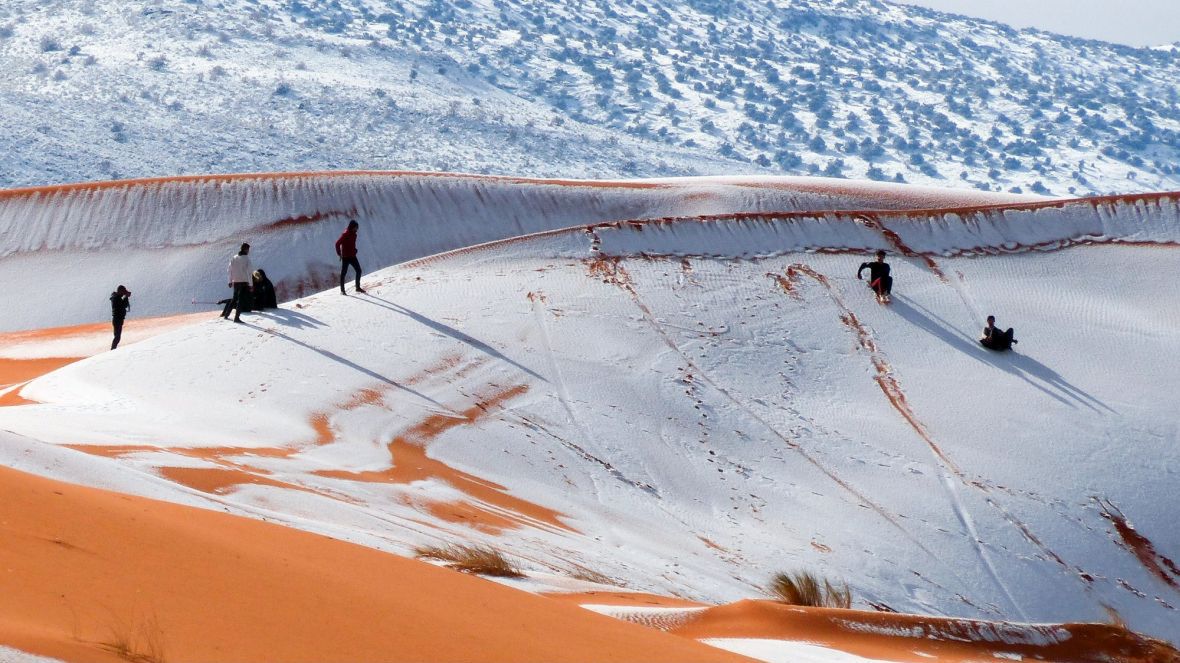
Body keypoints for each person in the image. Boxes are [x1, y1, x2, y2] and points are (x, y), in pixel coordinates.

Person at [222, 243, 252, 323]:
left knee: (234, 299)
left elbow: (229, 270)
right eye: (248, 249)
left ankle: (226, 315)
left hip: (236, 282)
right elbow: (249, 272)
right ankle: (236, 318)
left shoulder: (234, 258)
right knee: (240, 300)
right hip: (244, 282)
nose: (248, 251)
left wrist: (229, 281)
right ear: (245, 249)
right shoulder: (246, 259)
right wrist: (251, 284)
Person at [335, 219, 365, 295]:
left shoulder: (354, 234)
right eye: (356, 227)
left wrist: (354, 250)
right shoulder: (345, 234)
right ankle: (342, 291)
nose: (357, 229)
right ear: (352, 227)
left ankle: (357, 288)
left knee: (359, 270)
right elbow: (337, 243)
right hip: (345, 257)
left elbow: (351, 244)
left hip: (352, 256)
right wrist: (339, 253)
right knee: (343, 274)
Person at [109, 285, 131, 350]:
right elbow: (123, 305)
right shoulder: (116, 298)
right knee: (117, 337)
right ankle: (112, 349)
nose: (124, 293)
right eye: (123, 291)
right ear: (120, 291)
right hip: (117, 319)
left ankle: (113, 349)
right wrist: (126, 297)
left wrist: (125, 296)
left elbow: (124, 305)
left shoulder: (117, 297)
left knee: (117, 336)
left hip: (118, 319)